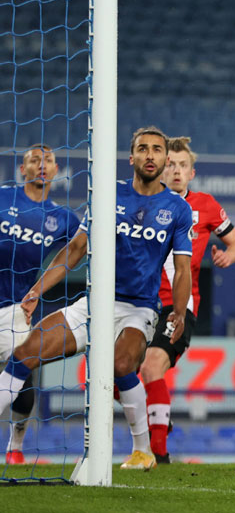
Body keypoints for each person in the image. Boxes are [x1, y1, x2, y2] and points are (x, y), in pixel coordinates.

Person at [0, 127, 193, 471]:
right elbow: (74, 250)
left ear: (165, 160)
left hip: (139, 309)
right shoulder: (107, 194)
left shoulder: (177, 209)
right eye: (143, 149)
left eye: (157, 150)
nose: (150, 155)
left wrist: (177, 314)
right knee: (23, 354)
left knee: (120, 366)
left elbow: (182, 269)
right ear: (131, 157)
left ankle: (142, 450)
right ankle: (14, 445)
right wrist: (34, 293)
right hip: (93, 304)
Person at [140, 136, 235, 464]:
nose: (175, 170)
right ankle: (157, 414)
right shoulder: (143, 203)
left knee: (152, 365)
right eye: (170, 164)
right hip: (139, 302)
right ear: (159, 168)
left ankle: (158, 455)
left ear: (192, 173)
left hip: (179, 306)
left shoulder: (205, 206)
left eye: (182, 165)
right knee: (118, 373)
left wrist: (229, 255)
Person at [0, 145, 81, 464]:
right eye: (34, 160)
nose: (41, 165)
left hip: (16, 309)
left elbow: (82, 246)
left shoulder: (61, 218)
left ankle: (15, 445)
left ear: (56, 169)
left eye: (47, 160)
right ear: (23, 170)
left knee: (25, 375)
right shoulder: (4, 197)